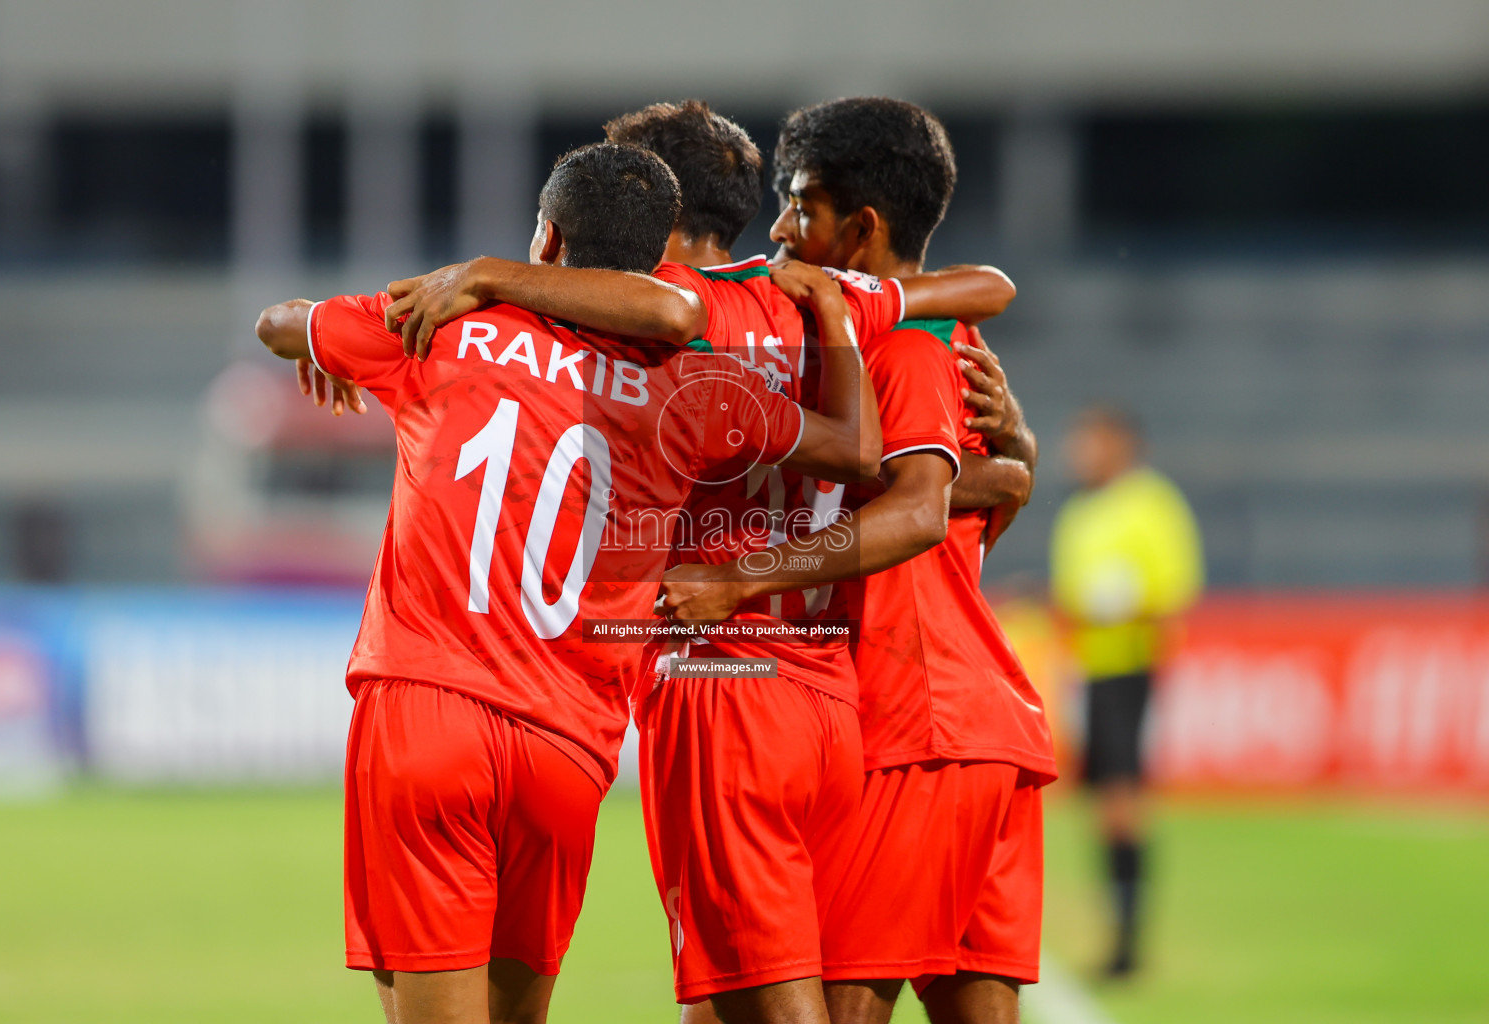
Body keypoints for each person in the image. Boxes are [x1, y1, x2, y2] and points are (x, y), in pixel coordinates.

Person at [372, 99, 1023, 1024]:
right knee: (729, 998)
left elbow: (667, 308)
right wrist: (1011, 465)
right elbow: (984, 290)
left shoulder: (657, 322)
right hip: (829, 697)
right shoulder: (801, 301)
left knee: (776, 1001)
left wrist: (490, 277)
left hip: (720, 677)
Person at [253, 141, 884, 1024]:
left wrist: (336, 336)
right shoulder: (689, 385)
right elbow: (856, 450)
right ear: (656, 253)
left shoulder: (443, 326)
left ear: (546, 236)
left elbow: (279, 323)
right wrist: (839, 322)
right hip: (566, 746)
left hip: (427, 712)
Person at [658, 97, 1054, 1024]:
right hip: (985, 725)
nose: (783, 227)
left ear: (862, 226)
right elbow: (963, 510)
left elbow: (917, 513)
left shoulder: (903, 352)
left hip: (912, 727)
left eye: (800, 206)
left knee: (819, 1009)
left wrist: (737, 577)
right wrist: (1014, 468)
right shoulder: (945, 340)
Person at [1050, 405, 1204, 978]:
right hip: (1088, 670)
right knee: (1102, 807)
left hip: (1128, 668)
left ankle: (1127, 946)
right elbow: (1072, 596)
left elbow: (1172, 588)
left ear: (1120, 444)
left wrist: (1116, 604)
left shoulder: (1151, 504)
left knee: (1123, 804)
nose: (1079, 452)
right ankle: (1117, 939)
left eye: (1089, 441)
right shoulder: (1081, 510)